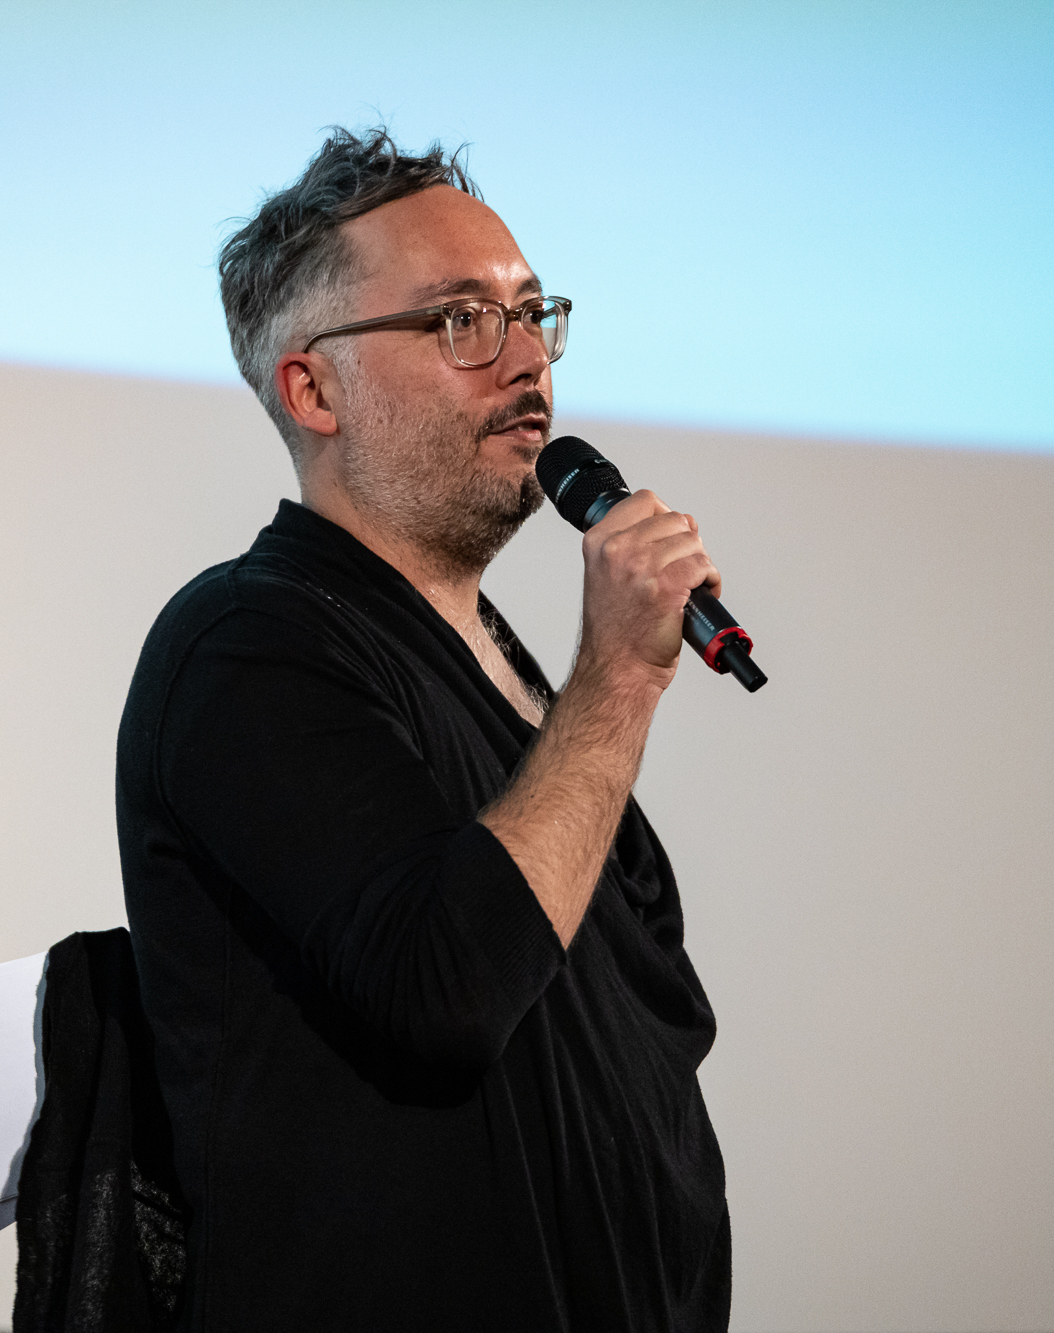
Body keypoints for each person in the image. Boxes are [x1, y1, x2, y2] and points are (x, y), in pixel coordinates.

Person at [117, 127, 729, 1331]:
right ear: (313, 389)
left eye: (531, 314)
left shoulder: (512, 680)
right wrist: (618, 678)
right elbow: (444, 989)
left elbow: (652, 1027)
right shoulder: (246, 644)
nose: (526, 360)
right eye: (460, 320)